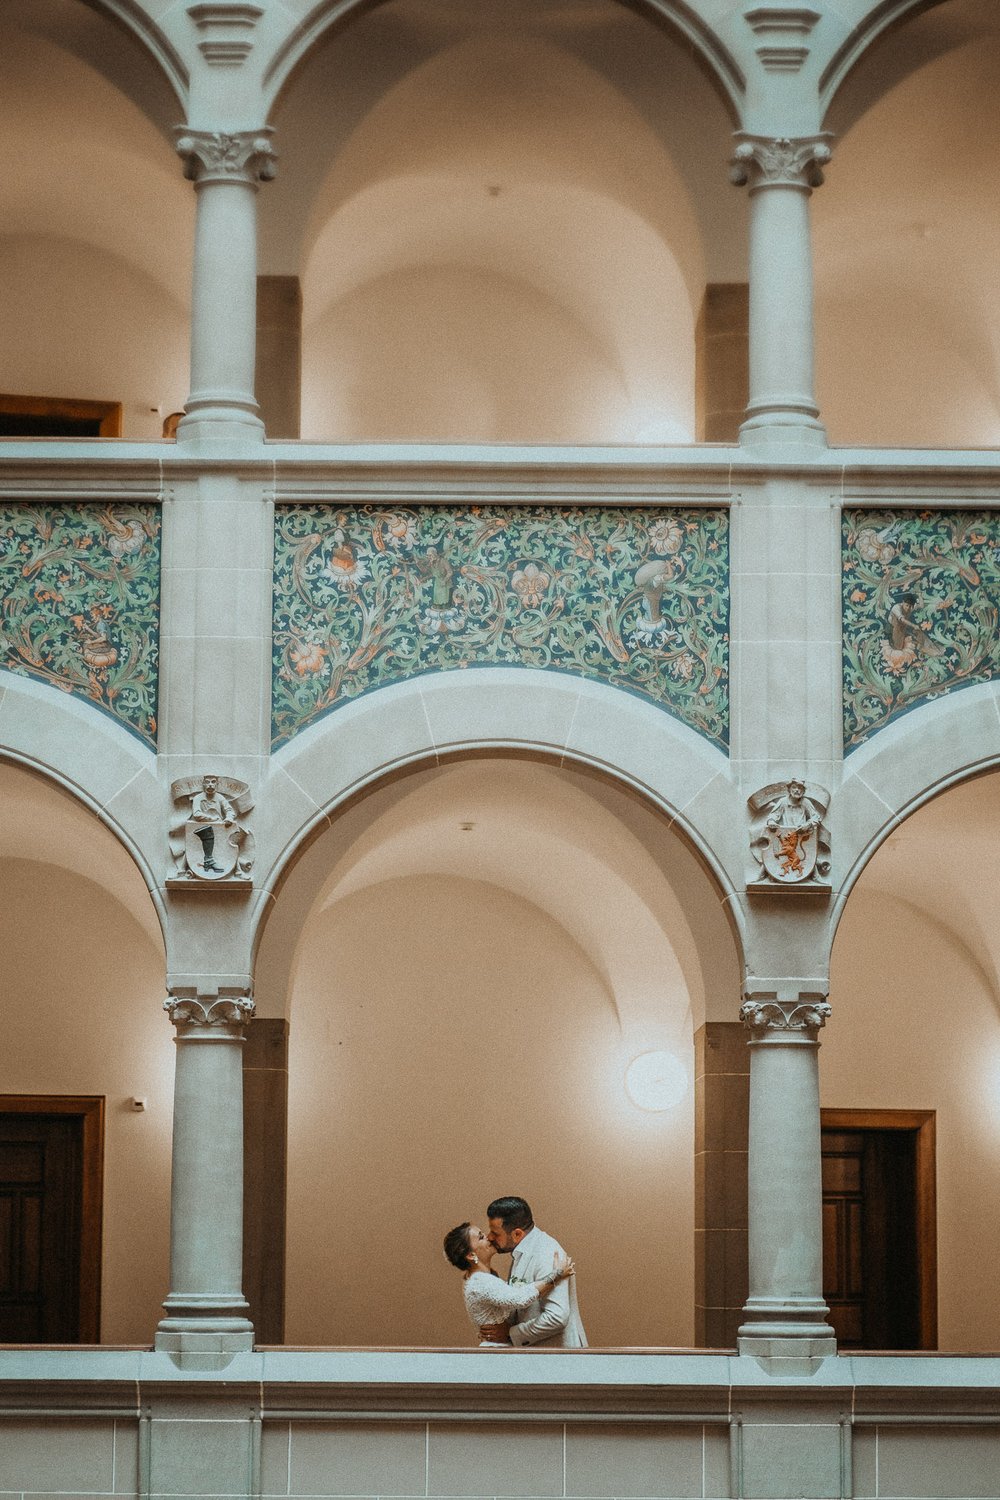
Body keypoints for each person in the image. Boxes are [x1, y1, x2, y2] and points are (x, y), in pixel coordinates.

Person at [443, 1223, 574, 1348]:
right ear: (471, 1255)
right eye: (481, 1237)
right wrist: (556, 1275)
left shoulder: (482, 1278)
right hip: (497, 1352)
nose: (489, 1237)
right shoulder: (480, 1281)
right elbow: (520, 1299)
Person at [484, 1195, 587, 1347]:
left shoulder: (546, 1253)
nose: (489, 1237)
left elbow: (556, 1318)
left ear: (517, 1234)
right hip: (540, 1359)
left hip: (559, 1360)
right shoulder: (522, 1251)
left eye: (495, 1233)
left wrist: (510, 1334)